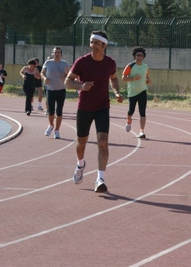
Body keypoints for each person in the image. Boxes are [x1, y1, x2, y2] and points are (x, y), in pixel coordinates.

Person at [64, 30, 124, 193]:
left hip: (102, 107)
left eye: (96, 43)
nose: (93, 46)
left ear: (104, 45)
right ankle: (80, 164)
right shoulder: (82, 62)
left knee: (103, 141)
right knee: (81, 142)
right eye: (91, 42)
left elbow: (114, 78)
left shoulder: (110, 63)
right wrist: (80, 86)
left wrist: (117, 92)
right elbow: (67, 81)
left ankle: (100, 179)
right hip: (84, 107)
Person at [122, 46, 152, 138]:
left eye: (141, 55)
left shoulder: (145, 67)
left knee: (142, 112)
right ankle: (128, 121)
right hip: (132, 92)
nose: (139, 57)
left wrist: (148, 80)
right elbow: (123, 78)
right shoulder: (130, 66)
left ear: (143, 57)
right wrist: (134, 78)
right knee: (131, 111)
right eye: (138, 55)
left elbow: (146, 77)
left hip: (142, 91)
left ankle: (141, 131)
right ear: (134, 56)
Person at [41, 47, 69, 139]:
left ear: (61, 54)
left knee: (59, 111)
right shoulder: (48, 63)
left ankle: (57, 130)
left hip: (61, 90)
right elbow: (42, 73)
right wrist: (44, 78)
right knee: (51, 111)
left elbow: (69, 76)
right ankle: (51, 125)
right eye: (55, 52)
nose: (57, 54)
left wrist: (67, 74)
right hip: (50, 89)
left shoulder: (65, 64)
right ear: (53, 53)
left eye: (58, 52)